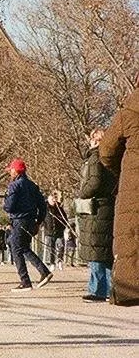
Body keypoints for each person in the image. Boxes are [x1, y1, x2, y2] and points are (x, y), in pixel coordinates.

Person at [99, 87, 139, 306]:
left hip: (134, 188)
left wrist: (123, 172)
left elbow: (106, 151)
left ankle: (128, 288)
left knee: (131, 236)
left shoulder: (129, 111)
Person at [76, 128, 117, 302]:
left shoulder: (94, 158)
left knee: (95, 250)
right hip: (108, 205)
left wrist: (82, 193)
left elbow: (94, 182)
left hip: (96, 208)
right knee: (105, 252)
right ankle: (111, 290)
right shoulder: (112, 159)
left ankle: (97, 290)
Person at [3, 158, 52, 290]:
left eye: (11, 170)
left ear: (16, 171)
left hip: (19, 220)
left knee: (15, 248)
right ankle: (44, 272)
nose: (10, 173)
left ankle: (25, 281)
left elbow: (9, 207)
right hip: (31, 221)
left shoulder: (14, 186)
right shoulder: (32, 185)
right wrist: (38, 222)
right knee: (23, 247)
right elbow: (42, 206)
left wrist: (6, 201)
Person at [43, 191, 70, 268]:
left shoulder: (59, 208)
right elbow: (43, 219)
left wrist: (65, 226)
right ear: (48, 199)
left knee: (61, 245)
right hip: (49, 231)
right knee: (51, 248)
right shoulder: (45, 208)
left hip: (59, 231)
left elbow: (65, 218)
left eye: (54, 199)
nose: (53, 201)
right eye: (52, 199)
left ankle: (59, 260)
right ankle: (52, 263)